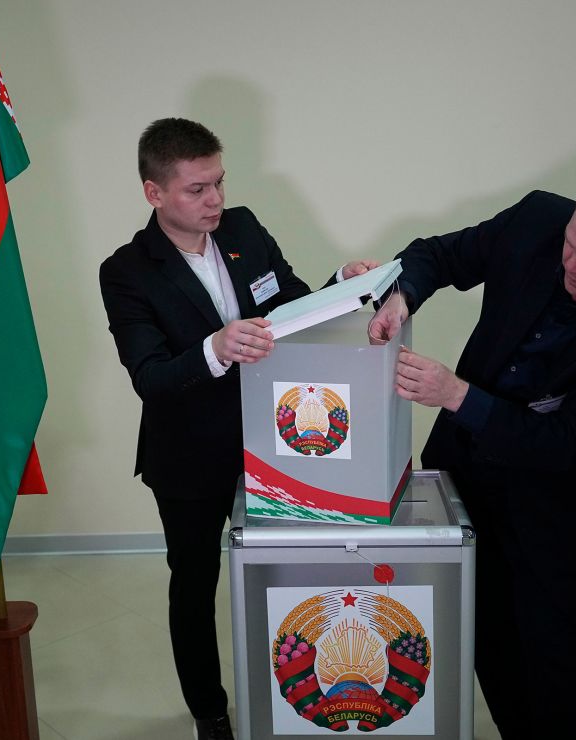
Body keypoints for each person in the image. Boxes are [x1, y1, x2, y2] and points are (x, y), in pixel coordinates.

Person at [368, 170, 576, 738]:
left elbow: (563, 443)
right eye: (571, 248)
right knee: (483, 635)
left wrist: (454, 394)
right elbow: (437, 256)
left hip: (558, 510)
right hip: (465, 475)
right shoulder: (539, 218)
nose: (571, 268)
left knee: (551, 653)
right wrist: (401, 296)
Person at [99, 117, 375, 740]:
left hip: (276, 441)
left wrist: (342, 288)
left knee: (286, 574)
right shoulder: (126, 271)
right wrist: (216, 347)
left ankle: (300, 694)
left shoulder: (244, 228)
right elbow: (150, 377)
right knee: (194, 588)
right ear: (154, 193)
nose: (215, 200)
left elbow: (292, 309)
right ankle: (210, 713)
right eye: (197, 189)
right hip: (188, 458)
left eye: (219, 182)